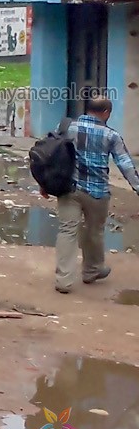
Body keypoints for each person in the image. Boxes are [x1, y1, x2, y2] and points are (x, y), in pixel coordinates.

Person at [50, 93, 138, 293]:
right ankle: (91, 270)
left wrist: (45, 185)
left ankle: (63, 281)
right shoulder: (111, 135)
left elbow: (52, 155)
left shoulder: (66, 127)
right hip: (97, 192)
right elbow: (125, 164)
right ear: (106, 112)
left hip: (68, 189)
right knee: (94, 232)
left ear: (87, 108)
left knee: (67, 231)